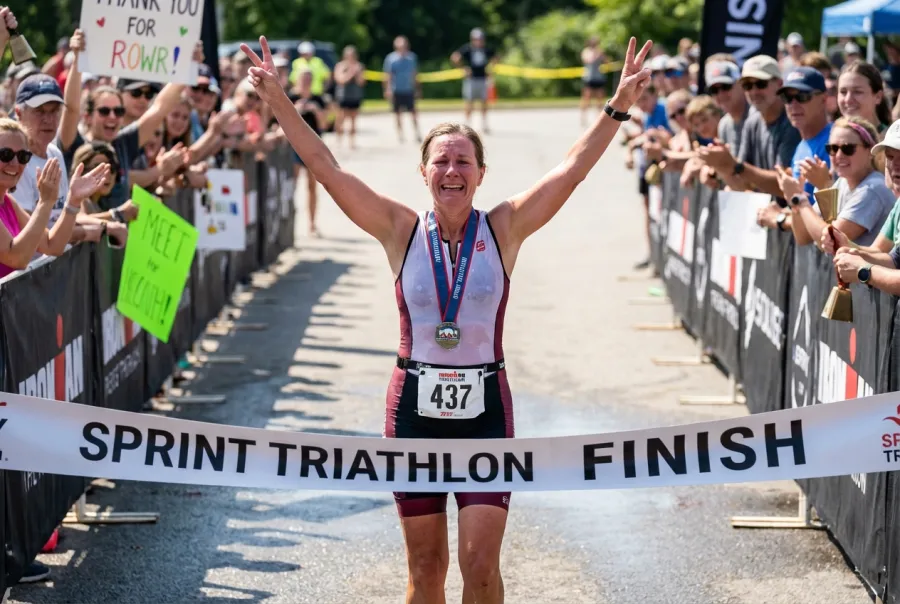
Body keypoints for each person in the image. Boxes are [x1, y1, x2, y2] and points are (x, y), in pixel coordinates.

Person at [238, 33, 652, 604]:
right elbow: (327, 169)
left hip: (485, 407)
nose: (452, 170)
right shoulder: (398, 229)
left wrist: (618, 106)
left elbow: (571, 170)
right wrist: (280, 102)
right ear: (423, 171)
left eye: (463, 161)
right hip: (413, 407)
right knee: (427, 569)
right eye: (441, 161)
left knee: (480, 567)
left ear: (481, 173)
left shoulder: (504, 228)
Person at [0, 119, 109, 277]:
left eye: (23, 156)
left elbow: (52, 245)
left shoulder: (8, 202)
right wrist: (45, 203)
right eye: (5, 154)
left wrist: (73, 201)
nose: (15, 163)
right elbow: (17, 258)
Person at [778, 116, 893, 248]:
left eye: (848, 148)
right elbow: (803, 237)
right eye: (832, 148)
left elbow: (831, 241)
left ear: (870, 150)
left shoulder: (873, 189)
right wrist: (794, 200)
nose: (838, 155)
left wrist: (801, 199)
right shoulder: (842, 183)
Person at [451, 28, 497, 133]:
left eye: (480, 39)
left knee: (484, 102)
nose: (479, 41)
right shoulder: (467, 49)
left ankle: (484, 124)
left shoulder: (486, 49)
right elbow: (455, 57)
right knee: (469, 101)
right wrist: (463, 68)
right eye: (476, 39)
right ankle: (467, 124)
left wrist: (490, 68)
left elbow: (496, 57)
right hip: (471, 79)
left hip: (483, 78)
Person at [384, 36, 422, 143]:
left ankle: (417, 133)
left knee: (413, 112)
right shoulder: (391, 59)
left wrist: (418, 88)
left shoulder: (412, 58)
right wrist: (388, 89)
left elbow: (414, 74)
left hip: (409, 89)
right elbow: (388, 75)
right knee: (397, 113)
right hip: (396, 89)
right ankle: (400, 135)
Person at [334, 45, 365, 149]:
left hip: (355, 96)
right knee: (340, 119)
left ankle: (352, 142)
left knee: (353, 120)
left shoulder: (359, 66)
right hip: (343, 96)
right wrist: (351, 73)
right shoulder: (340, 66)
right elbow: (340, 80)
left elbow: (361, 82)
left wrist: (357, 74)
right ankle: (339, 139)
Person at [580, 36, 608, 126]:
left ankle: (599, 118)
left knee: (600, 99)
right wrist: (596, 55)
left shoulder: (600, 51)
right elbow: (588, 60)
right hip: (589, 78)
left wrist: (602, 55)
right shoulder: (586, 51)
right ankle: (583, 118)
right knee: (586, 99)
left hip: (599, 78)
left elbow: (606, 61)